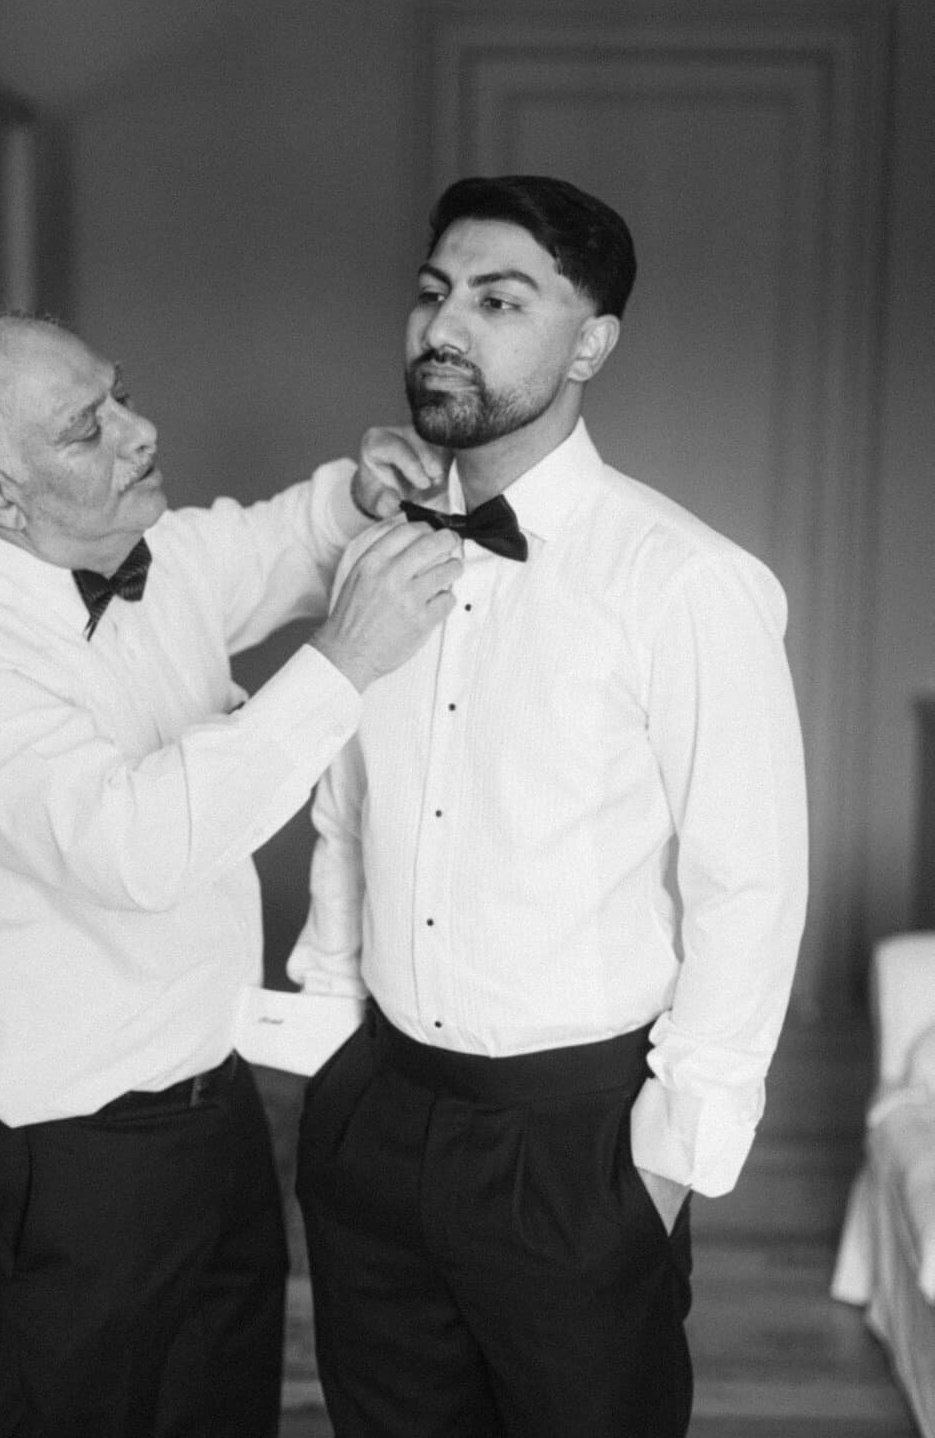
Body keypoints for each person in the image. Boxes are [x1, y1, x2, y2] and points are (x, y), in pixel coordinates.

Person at [0, 311, 463, 1438]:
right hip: (65, 1151)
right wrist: (343, 662)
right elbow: (142, 849)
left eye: (121, 395)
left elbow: (273, 540)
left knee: (224, 1412)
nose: (139, 431)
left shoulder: (159, 556)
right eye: (88, 429)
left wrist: (353, 494)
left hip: (216, 1107)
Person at [288, 175, 809, 1438]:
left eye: (497, 299)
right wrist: (324, 1049)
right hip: (377, 1116)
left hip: (575, 1145)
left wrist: (667, 1161)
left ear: (589, 343)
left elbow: (747, 884)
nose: (442, 328)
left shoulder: (687, 582)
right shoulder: (375, 555)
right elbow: (345, 813)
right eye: (431, 295)